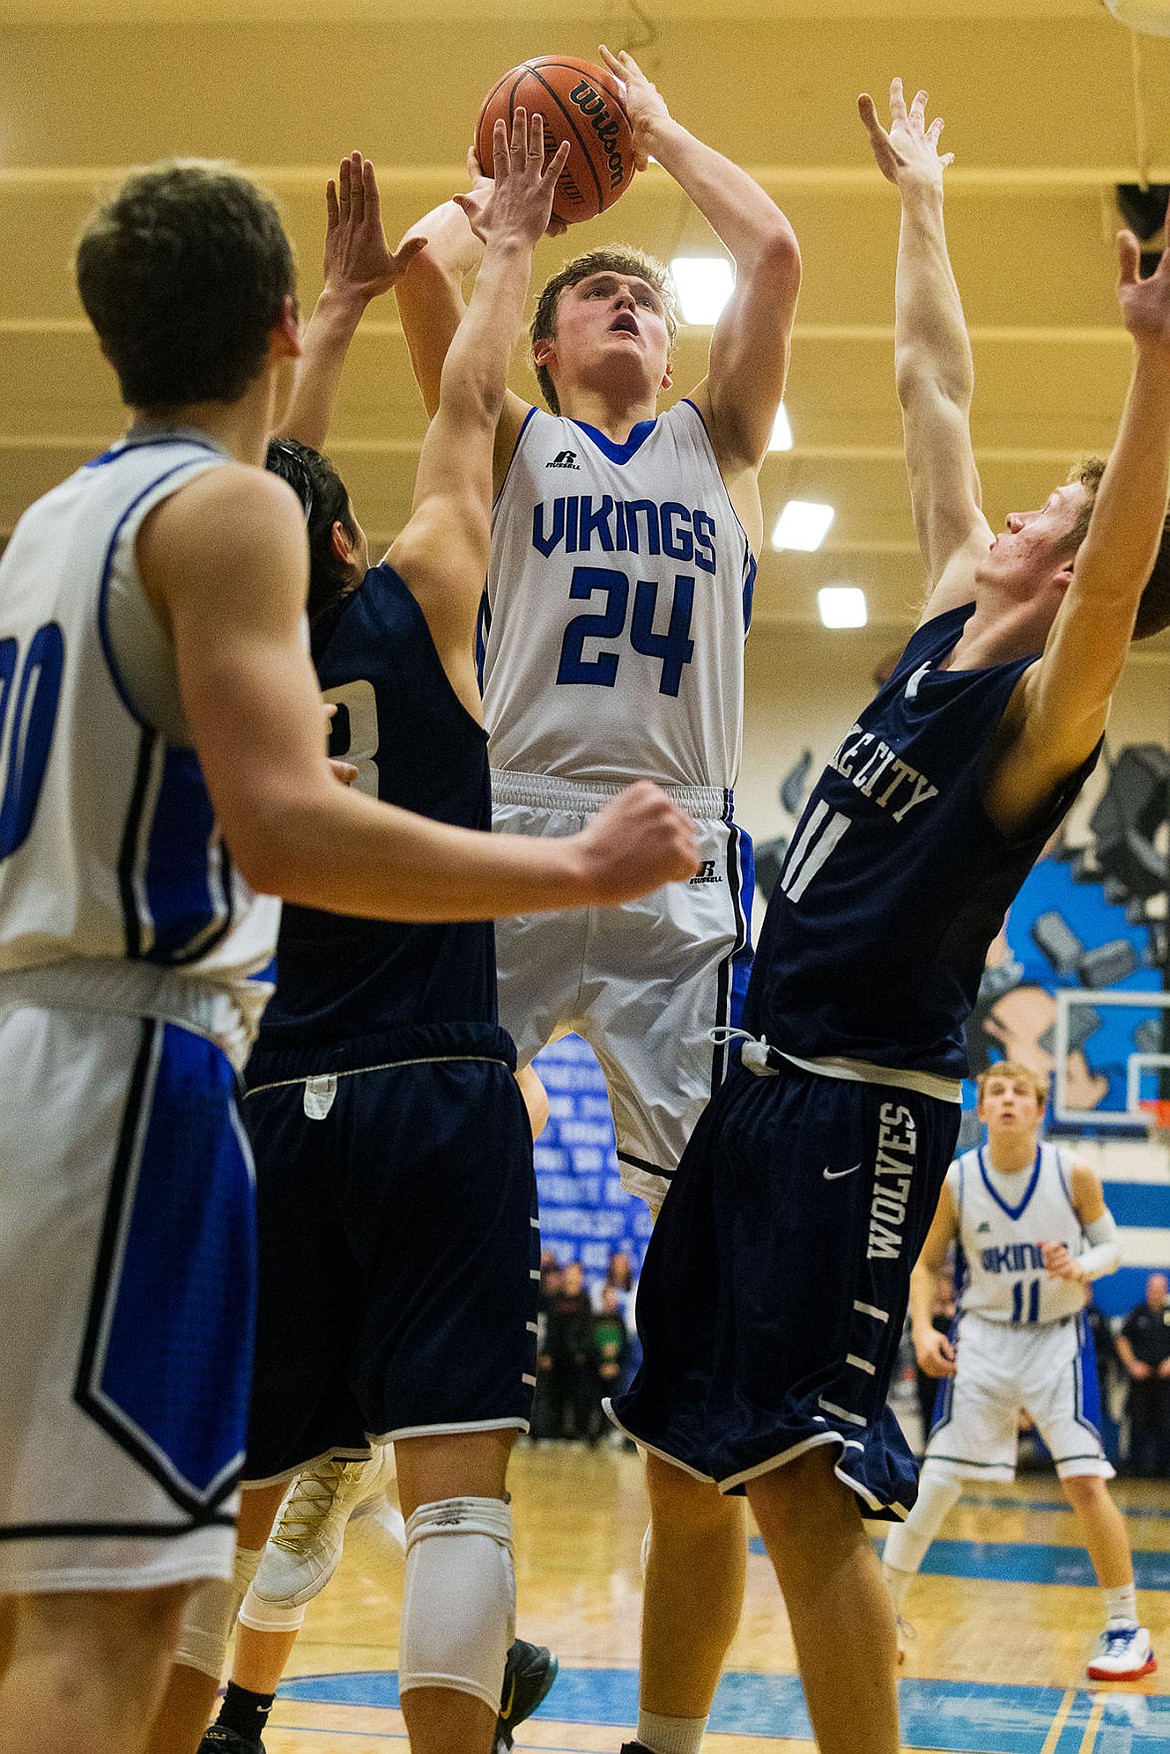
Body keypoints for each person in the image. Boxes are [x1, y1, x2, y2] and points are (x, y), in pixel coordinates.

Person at [0, 144, 698, 1754]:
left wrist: (330, 312)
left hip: (227, 1080)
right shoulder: (369, 577)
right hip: (251, 1070)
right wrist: (499, 252)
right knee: (435, 1503)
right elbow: (460, 430)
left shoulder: (69, 530)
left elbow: (272, 464)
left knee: (161, 1546)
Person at [604, 78, 1170, 1754]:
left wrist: (1153, 362)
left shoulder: (1037, 724)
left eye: (1054, 513)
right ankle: (662, 1740)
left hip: (860, 1110)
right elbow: (931, 381)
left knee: (797, 1493)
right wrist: (921, 201)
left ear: (1073, 573)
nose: (1021, 511)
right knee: (680, 1459)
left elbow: (1127, 573)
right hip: (755, 1082)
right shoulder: (945, 627)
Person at [394, 44, 800, 1220]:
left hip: (679, 840)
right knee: (433, 1142)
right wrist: (507, 197)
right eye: (596, 297)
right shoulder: (509, 436)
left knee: (712, 1203)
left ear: (674, 354)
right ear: (541, 345)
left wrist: (659, 130)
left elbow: (772, 253)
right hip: (514, 819)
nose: (626, 304)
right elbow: (423, 268)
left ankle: (698, 1402)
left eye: (647, 305)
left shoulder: (718, 446)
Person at [882, 1062, 1153, 1681]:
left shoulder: (1072, 1173)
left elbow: (1113, 1249)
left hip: (1058, 1339)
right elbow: (925, 1265)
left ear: (1038, 1109)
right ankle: (884, 1611)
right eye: (996, 1092)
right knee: (939, 1480)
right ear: (982, 1109)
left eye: (1019, 1093)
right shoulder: (956, 1181)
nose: (1007, 1100)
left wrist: (1081, 1266)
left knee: (1085, 1482)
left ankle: (1125, 1628)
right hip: (982, 1339)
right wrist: (923, 1329)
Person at [1117, 1271, 1170, 1476]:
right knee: (1138, 1423)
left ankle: (1164, 1467)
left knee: (1166, 1424)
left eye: (1160, 1289)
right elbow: (1122, 1339)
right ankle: (1135, 1465)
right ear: (1147, 1290)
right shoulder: (1137, 1313)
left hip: (1165, 1382)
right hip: (1141, 1380)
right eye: (1152, 1289)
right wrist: (1132, 1364)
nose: (1156, 1293)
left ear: (1165, 1291)